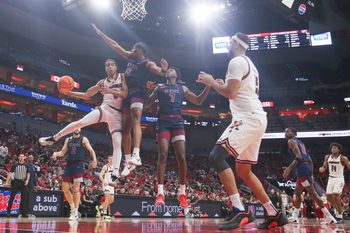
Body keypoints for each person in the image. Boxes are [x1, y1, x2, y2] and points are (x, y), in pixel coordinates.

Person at [196, 32, 287, 230]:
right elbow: (233, 91)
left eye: (230, 42)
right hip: (256, 118)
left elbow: (231, 93)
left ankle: (239, 209)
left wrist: (212, 82)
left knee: (216, 156)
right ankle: (273, 212)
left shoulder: (236, 61)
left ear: (236, 43)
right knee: (244, 170)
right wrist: (220, 85)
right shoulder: (249, 63)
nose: (228, 46)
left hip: (247, 117)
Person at [91, 24, 169, 176]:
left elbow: (158, 72)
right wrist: (101, 33)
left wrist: (164, 70)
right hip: (126, 93)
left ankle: (136, 154)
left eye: (134, 49)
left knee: (135, 118)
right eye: (132, 49)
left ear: (141, 51)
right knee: (125, 129)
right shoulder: (130, 57)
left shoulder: (147, 62)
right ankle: (128, 162)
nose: (131, 51)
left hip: (138, 93)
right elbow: (115, 46)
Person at [39, 59, 127, 177]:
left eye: (112, 65)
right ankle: (54, 138)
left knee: (117, 143)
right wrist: (70, 93)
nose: (110, 67)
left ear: (116, 67)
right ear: (105, 69)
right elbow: (86, 95)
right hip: (105, 109)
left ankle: (115, 172)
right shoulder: (102, 82)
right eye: (107, 65)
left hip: (117, 114)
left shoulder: (123, 77)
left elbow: (127, 93)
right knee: (80, 122)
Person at [146, 67, 211, 208]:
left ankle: (182, 193)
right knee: (162, 154)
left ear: (176, 74)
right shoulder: (159, 87)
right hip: (163, 121)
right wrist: (148, 90)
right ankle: (160, 193)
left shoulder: (183, 88)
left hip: (177, 122)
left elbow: (198, 101)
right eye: (168, 70)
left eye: (172, 70)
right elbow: (147, 103)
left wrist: (208, 86)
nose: (170, 70)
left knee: (181, 156)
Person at [283, 127, 336, 224]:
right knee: (297, 192)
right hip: (305, 169)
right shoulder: (301, 143)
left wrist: (289, 169)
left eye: (288, 131)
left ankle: (330, 217)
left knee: (313, 194)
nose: (286, 133)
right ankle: (295, 216)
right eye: (285, 131)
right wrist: (311, 173)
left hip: (302, 169)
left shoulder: (291, 141)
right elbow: (310, 160)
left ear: (294, 133)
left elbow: (298, 157)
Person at [51, 129, 97, 221]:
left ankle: (75, 211)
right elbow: (63, 152)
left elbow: (91, 150)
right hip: (69, 164)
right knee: (64, 188)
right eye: (76, 127)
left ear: (80, 129)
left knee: (76, 188)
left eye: (79, 127)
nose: (77, 128)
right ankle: (73, 207)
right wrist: (56, 153)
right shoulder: (68, 139)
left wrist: (94, 159)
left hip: (78, 164)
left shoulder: (83, 139)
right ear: (73, 128)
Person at [319, 142, 350, 223]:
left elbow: (349, 166)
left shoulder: (343, 158)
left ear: (339, 150)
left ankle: (339, 216)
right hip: (331, 178)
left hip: (339, 179)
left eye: (335, 148)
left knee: (335, 195)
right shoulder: (327, 157)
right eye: (332, 148)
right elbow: (324, 166)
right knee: (328, 197)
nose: (333, 149)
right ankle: (340, 212)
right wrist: (322, 168)